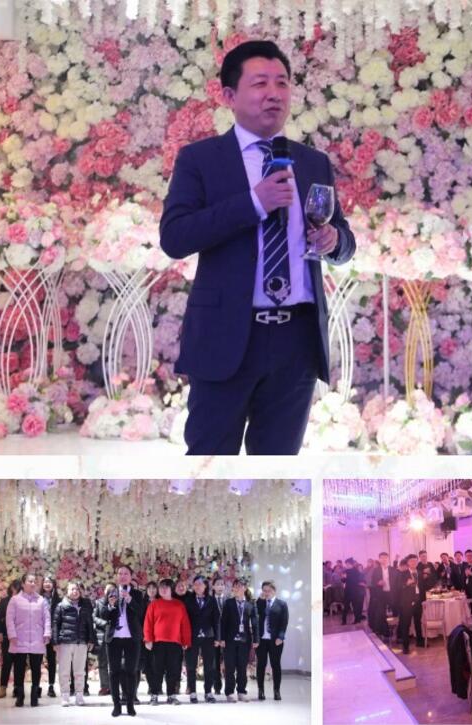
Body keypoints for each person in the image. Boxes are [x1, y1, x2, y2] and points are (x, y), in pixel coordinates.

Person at [160, 39, 356, 456]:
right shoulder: (201, 159)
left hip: (296, 340)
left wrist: (334, 240)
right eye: (260, 83)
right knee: (211, 465)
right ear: (229, 96)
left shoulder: (313, 162)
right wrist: (253, 202)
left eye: (282, 83)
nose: (274, 93)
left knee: (278, 469)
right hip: (227, 336)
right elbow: (174, 237)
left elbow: (344, 239)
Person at [6, 572, 51, 708]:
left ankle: (34, 696)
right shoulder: (15, 600)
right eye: (30, 581)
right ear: (23, 584)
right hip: (19, 638)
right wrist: (12, 634)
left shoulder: (41, 600)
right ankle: (20, 695)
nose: (33, 584)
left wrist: (47, 633)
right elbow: (9, 619)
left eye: (34, 581)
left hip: (37, 638)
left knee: (36, 668)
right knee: (19, 668)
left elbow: (47, 618)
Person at [143, 579, 191, 706]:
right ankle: (154, 695)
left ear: (171, 589)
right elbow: (148, 623)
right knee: (156, 670)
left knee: (173, 670)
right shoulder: (154, 604)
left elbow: (185, 624)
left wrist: (186, 640)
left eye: (166, 587)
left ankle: (171, 695)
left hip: (175, 643)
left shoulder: (179, 605)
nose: (163, 590)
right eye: (161, 587)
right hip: (157, 642)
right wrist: (148, 639)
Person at [105, 564, 145, 717]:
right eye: (120, 573)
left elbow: (141, 612)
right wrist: (110, 606)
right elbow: (103, 614)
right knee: (114, 671)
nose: (122, 576)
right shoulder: (111, 592)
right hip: (114, 637)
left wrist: (129, 600)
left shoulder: (137, 594)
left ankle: (130, 704)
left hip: (132, 637)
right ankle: (116, 705)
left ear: (130, 576)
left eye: (126, 573)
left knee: (131, 671)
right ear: (117, 576)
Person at [53, 581, 97, 707]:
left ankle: (79, 696)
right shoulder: (61, 606)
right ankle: (65, 696)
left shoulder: (85, 605)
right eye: (72, 589)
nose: (75, 591)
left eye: (77, 589)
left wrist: (91, 639)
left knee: (80, 672)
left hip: (81, 642)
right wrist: (55, 641)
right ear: (67, 591)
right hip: (65, 643)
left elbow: (90, 623)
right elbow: (55, 624)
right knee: (64, 671)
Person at [220, 579, 259, 702]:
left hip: (244, 640)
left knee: (242, 667)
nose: (236, 588)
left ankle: (241, 691)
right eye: (235, 586)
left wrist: (256, 639)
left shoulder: (250, 604)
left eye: (239, 586)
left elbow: (255, 623)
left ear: (245, 588)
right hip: (229, 640)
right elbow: (223, 622)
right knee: (230, 667)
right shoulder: (228, 603)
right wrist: (221, 638)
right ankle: (229, 692)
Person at [184, 576, 221, 703]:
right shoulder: (188, 600)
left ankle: (208, 692)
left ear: (205, 586)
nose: (198, 586)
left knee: (209, 666)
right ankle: (193, 692)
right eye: (195, 584)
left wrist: (218, 637)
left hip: (208, 637)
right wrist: (184, 638)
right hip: (192, 637)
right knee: (191, 665)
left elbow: (216, 620)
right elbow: (184, 620)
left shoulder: (212, 600)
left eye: (200, 584)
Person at [256, 581, 289, 701]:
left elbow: (284, 622)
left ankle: (277, 691)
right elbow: (257, 615)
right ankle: (261, 690)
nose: (266, 593)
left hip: (275, 640)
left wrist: (281, 637)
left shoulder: (282, 604)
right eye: (264, 590)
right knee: (261, 665)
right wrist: (260, 600)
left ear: (274, 590)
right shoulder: (260, 602)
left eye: (268, 590)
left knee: (276, 665)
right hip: (261, 639)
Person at [0, 579, 21, 699]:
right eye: (14, 588)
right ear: (11, 588)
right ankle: (3, 687)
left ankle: (17, 688)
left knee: (19, 663)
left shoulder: (24, 601)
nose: (15, 591)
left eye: (18, 589)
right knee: (7, 662)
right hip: (6, 636)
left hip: (20, 636)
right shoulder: (4, 601)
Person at [93, 584, 118, 698]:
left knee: (115, 663)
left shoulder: (119, 603)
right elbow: (94, 617)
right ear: (105, 591)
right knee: (102, 662)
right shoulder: (99, 602)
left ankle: (114, 687)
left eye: (113, 590)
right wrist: (105, 624)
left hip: (116, 636)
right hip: (103, 636)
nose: (110, 592)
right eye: (108, 590)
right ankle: (104, 686)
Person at [397, 555, 425, 654]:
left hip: (418, 601)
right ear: (408, 563)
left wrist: (423, 600)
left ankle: (420, 642)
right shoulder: (402, 573)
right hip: (407, 602)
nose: (414, 563)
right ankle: (405, 646)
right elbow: (397, 586)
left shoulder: (419, 573)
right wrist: (406, 584)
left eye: (415, 561)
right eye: (411, 561)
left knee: (418, 622)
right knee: (406, 624)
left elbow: (422, 587)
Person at [40, 575, 59, 698]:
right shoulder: (37, 598)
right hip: (39, 633)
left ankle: (51, 686)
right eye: (45, 582)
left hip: (52, 634)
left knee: (52, 660)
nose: (47, 584)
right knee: (37, 660)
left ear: (53, 584)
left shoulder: (58, 600)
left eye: (50, 582)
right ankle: (36, 686)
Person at [369, 552, 395, 639]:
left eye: (385, 558)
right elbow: (372, 582)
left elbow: (397, 581)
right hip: (381, 594)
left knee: (395, 611)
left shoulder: (393, 569)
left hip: (391, 594)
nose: (384, 559)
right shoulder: (376, 570)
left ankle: (395, 631)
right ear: (379, 559)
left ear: (388, 559)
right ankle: (384, 631)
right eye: (382, 558)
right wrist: (378, 583)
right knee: (381, 612)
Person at [211, 578, 227, 696]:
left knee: (229, 663)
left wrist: (224, 638)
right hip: (213, 637)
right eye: (217, 584)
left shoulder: (229, 601)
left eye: (222, 584)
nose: (220, 586)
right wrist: (217, 638)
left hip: (227, 638)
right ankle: (217, 687)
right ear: (213, 587)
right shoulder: (209, 600)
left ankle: (229, 688)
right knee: (214, 663)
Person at [341, 558, 365, 625]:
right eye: (346, 564)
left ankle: (357, 620)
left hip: (355, 590)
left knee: (355, 606)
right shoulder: (345, 571)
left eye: (347, 564)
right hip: (348, 590)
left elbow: (357, 580)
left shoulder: (356, 571)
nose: (346, 565)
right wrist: (343, 578)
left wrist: (347, 578)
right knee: (346, 606)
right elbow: (343, 581)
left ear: (351, 564)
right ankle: (344, 620)